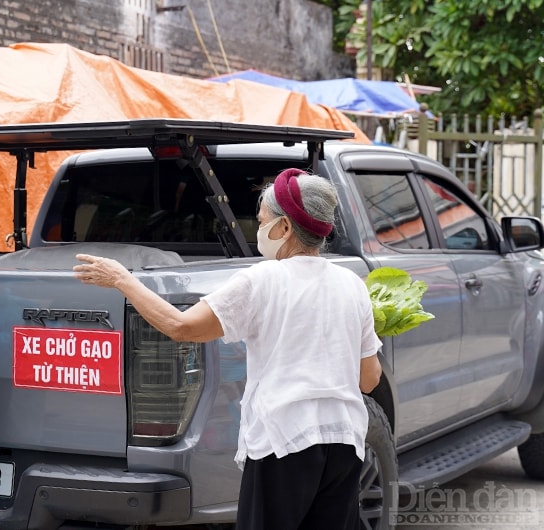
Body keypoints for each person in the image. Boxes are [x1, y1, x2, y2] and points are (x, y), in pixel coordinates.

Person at [74, 168, 382, 530]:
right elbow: (369, 379)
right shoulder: (351, 284)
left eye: (263, 222)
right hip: (344, 440)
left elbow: (182, 327)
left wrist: (123, 280)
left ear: (284, 228)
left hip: (285, 442)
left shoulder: (262, 280)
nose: (259, 231)